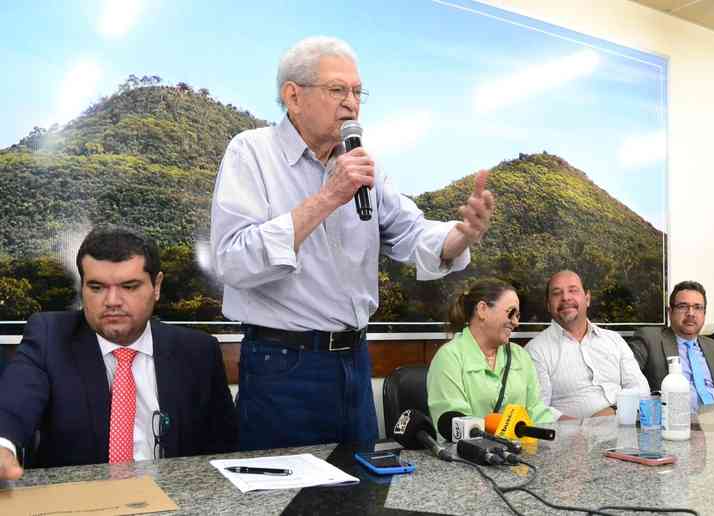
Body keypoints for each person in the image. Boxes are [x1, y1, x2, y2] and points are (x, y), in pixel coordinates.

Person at [210, 36, 494, 450]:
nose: (351, 103)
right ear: (293, 96)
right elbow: (233, 260)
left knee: (360, 492)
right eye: (337, 90)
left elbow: (411, 233)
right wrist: (328, 198)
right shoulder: (251, 152)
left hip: (355, 361)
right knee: (281, 498)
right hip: (283, 365)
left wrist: (461, 235)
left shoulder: (362, 164)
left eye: (357, 92)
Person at [0, 226, 238, 480]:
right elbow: (15, 402)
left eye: (129, 286)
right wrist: (3, 445)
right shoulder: (50, 337)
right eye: (97, 287)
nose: (112, 301)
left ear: (156, 286)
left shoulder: (198, 352)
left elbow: (223, 451)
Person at [427, 279, 554, 432]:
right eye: (511, 313)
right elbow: (456, 426)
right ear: (482, 310)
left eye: (518, 316)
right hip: (470, 454)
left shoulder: (520, 356)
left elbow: (537, 412)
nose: (515, 323)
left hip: (521, 453)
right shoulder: (449, 358)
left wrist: (551, 437)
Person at [526, 270, 648, 419]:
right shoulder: (536, 351)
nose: (565, 297)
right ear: (548, 305)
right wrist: (582, 427)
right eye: (557, 293)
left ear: (587, 298)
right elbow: (538, 408)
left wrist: (614, 410)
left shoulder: (614, 340)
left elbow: (641, 389)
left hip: (626, 429)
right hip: (571, 439)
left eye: (573, 290)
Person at [630, 281, 714, 412]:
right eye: (683, 306)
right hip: (675, 424)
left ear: (704, 313)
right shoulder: (650, 339)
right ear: (670, 312)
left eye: (697, 307)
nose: (691, 313)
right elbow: (629, 383)